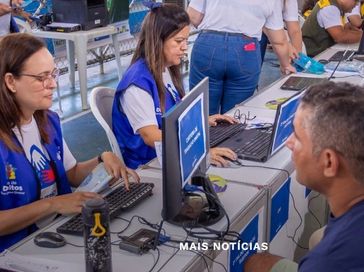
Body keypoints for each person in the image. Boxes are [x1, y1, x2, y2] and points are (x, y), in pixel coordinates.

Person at [0, 33, 139, 251]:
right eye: (41, 77)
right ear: (10, 81)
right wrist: (52, 204)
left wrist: (102, 160)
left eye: (54, 74)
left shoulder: (48, 121)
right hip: (17, 250)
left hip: (59, 232)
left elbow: (71, 173)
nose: (53, 84)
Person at [244, 81, 364, 272]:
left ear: (329, 162)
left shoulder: (327, 262)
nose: (288, 143)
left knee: (257, 263)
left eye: (297, 137)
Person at [112, 2, 237, 170]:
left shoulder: (165, 68)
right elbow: (150, 136)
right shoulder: (137, 85)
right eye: (178, 41)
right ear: (157, 40)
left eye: (186, 40)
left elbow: (173, 113)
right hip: (148, 165)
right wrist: (200, 151)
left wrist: (202, 121)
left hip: (170, 154)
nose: (184, 47)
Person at [187, 0, 295, 115]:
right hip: (246, 49)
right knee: (235, 114)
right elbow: (278, 41)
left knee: (202, 112)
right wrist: (286, 65)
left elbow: (193, 16)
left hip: (208, 44)